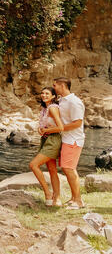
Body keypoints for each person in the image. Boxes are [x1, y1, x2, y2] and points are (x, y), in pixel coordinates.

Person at [53, 77, 86, 209]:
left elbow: (77, 122)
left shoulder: (74, 102)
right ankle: (73, 199)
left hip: (73, 140)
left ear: (62, 86)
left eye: (55, 85)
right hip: (66, 139)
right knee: (67, 169)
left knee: (69, 169)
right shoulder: (62, 101)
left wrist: (59, 128)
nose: (53, 87)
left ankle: (78, 201)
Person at [29, 87, 64, 206]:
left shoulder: (53, 108)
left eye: (47, 93)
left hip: (53, 139)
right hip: (46, 139)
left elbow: (60, 127)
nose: (44, 95)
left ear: (53, 96)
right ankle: (56, 198)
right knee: (52, 169)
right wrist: (41, 130)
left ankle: (48, 194)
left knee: (33, 165)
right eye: (42, 93)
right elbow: (45, 126)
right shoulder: (45, 108)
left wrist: (46, 130)